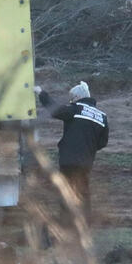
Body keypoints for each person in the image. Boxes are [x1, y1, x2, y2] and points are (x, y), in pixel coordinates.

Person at [36, 80, 109, 221]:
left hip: (68, 160)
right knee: (83, 191)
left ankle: (66, 221)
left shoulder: (76, 109)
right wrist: (88, 148)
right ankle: (85, 222)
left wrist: (41, 93)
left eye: (71, 99)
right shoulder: (102, 117)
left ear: (76, 97)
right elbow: (102, 142)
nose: (70, 101)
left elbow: (55, 110)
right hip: (86, 162)